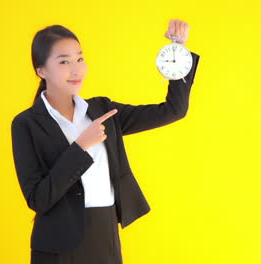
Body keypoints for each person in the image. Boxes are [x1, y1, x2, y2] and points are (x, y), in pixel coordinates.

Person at [11, 19, 200, 264]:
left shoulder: (103, 111)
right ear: (41, 71)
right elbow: (38, 198)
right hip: (56, 246)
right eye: (64, 61)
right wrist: (80, 147)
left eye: (80, 59)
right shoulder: (26, 124)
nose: (76, 69)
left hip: (105, 235)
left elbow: (174, 110)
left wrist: (178, 50)